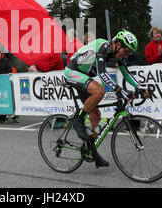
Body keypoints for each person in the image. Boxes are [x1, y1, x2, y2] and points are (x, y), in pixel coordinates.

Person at [64, 30, 149, 168]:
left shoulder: (118, 54)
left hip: (83, 76)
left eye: (129, 53)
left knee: (96, 114)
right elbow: (102, 73)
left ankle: (91, 151)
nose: (126, 55)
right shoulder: (103, 46)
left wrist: (141, 87)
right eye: (126, 51)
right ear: (118, 44)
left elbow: (126, 73)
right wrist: (119, 90)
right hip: (72, 72)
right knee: (100, 91)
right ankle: (78, 119)